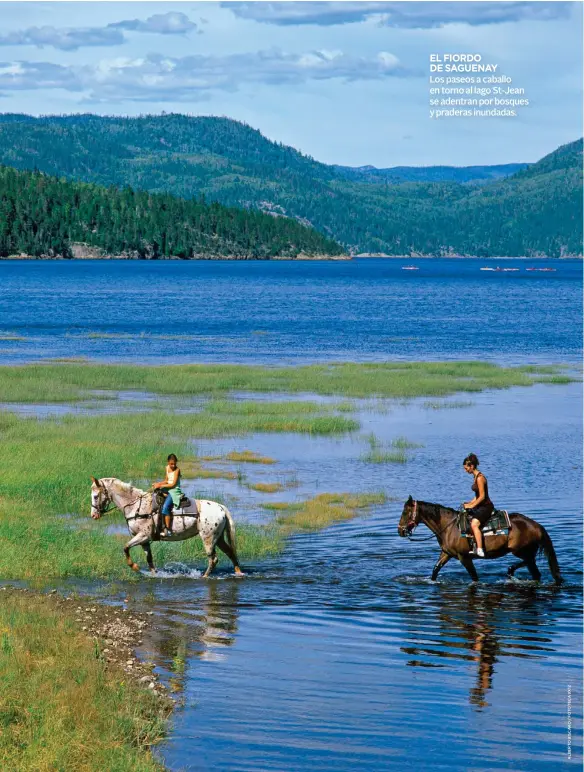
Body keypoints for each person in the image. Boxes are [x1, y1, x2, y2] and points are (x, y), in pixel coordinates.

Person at [462, 453, 494, 558]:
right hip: (480, 505)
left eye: (466, 468)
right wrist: (469, 503)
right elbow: (477, 496)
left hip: (486, 506)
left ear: (471, 466)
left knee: (474, 524)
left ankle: (480, 549)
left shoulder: (480, 478)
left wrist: (471, 506)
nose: (465, 470)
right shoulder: (475, 477)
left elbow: (482, 497)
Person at [152, 453, 184, 537]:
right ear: (168, 462)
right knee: (154, 494)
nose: (173, 465)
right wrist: (158, 483)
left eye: (174, 464)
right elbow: (166, 480)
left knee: (166, 507)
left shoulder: (177, 470)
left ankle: (168, 529)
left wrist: (160, 486)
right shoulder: (167, 468)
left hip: (174, 490)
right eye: (171, 464)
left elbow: (173, 484)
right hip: (167, 487)